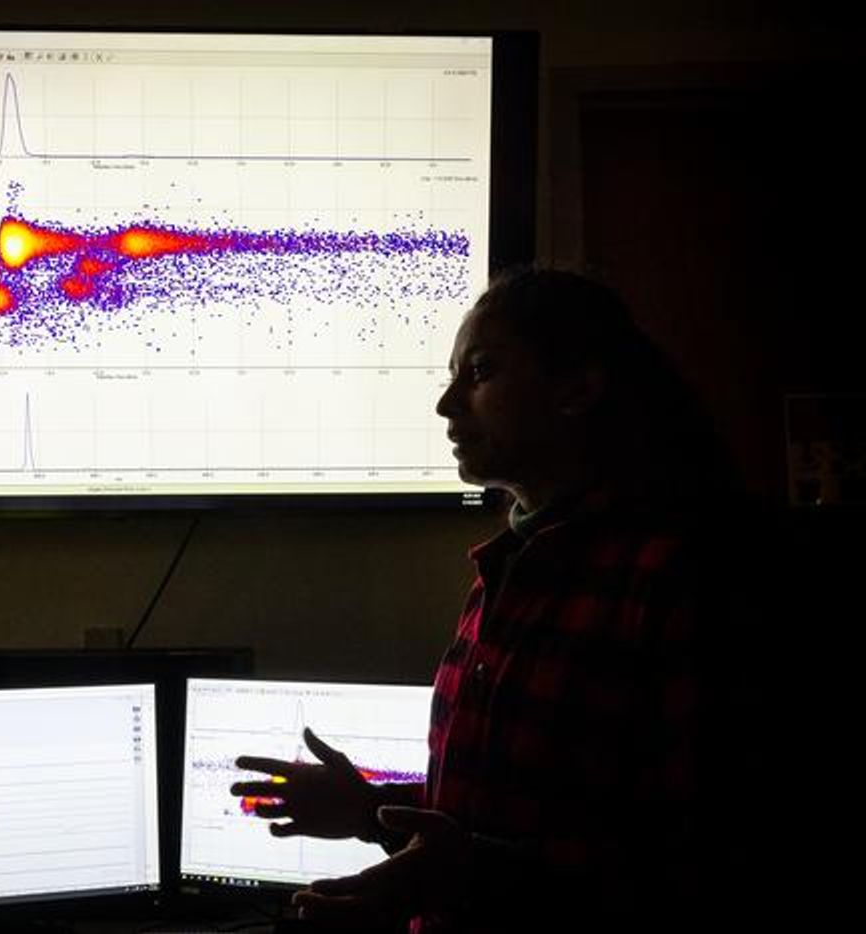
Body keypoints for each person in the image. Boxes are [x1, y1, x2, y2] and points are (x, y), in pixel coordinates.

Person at [231, 269, 764, 932]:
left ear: (578, 389)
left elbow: (710, 860)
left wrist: (466, 878)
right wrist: (369, 812)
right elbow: (518, 810)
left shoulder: (680, 573)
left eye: (479, 372)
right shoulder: (510, 566)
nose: (446, 405)